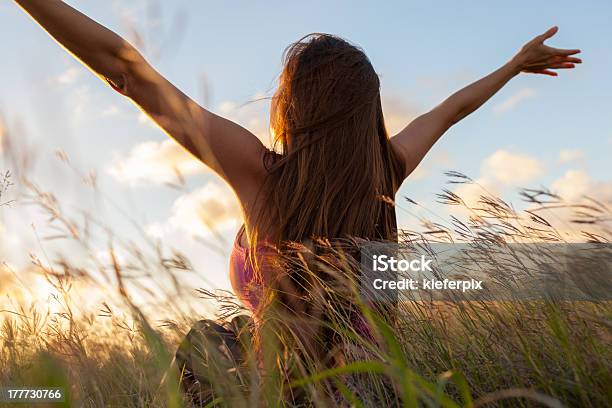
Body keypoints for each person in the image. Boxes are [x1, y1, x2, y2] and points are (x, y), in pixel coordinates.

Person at [14, 0, 581, 403]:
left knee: (203, 343)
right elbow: (450, 111)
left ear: (294, 104)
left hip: (278, 389)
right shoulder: (385, 173)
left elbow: (124, 69)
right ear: (368, 115)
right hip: (371, 388)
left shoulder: (260, 176)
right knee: (225, 332)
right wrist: (513, 66)